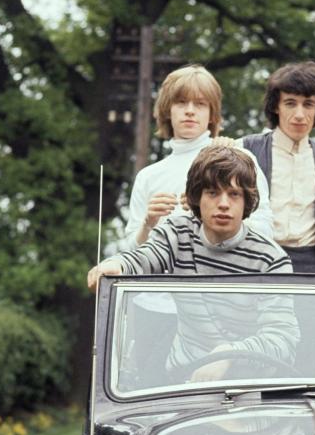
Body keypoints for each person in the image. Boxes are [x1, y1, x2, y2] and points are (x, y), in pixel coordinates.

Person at [88, 146, 297, 383]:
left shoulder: (271, 259)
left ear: (247, 200)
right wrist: (116, 265)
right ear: (196, 197)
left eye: (234, 194)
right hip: (183, 382)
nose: (224, 204)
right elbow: (145, 257)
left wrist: (227, 355)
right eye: (212, 193)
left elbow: (283, 338)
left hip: (248, 388)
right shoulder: (178, 232)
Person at [112, 64, 273, 251]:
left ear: (212, 114)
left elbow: (265, 232)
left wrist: (205, 212)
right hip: (164, 279)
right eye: (181, 102)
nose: (190, 110)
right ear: (167, 110)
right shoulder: (147, 177)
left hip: (223, 277)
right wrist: (148, 224)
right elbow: (130, 253)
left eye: (200, 104)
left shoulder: (239, 159)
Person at [239, 60, 315, 273]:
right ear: (276, 106)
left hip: (312, 264)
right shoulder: (247, 148)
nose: (300, 114)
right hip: (259, 258)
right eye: (290, 103)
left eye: (308, 104)